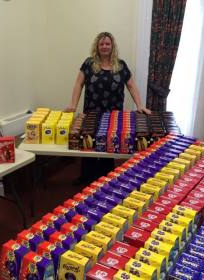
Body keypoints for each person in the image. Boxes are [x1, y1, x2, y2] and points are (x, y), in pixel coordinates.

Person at [65, 32, 151, 185]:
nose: (104, 47)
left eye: (107, 44)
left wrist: (140, 106)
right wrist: (73, 105)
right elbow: (78, 84)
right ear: (97, 47)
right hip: (91, 113)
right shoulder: (88, 64)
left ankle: (106, 181)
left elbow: (131, 86)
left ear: (112, 46)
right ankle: (86, 180)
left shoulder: (121, 65)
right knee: (88, 144)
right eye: (101, 44)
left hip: (113, 116)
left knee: (108, 147)